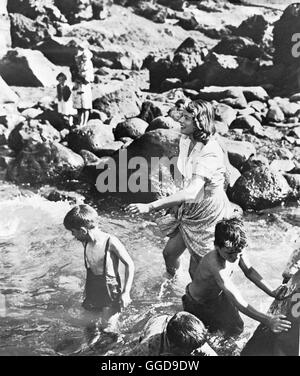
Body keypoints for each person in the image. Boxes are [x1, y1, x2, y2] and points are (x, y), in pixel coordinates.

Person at [126, 100, 238, 279]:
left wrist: (150, 206)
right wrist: (176, 202)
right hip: (190, 205)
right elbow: (187, 176)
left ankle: (201, 299)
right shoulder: (186, 140)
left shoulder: (210, 150)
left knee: (199, 269)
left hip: (208, 212)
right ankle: (172, 284)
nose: (180, 120)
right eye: (181, 116)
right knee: (169, 254)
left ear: (200, 121)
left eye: (187, 118)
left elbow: (194, 191)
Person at [182, 218, 292, 337]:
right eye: (229, 253)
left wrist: (272, 292)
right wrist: (267, 320)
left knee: (236, 328)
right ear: (216, 247)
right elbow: (237, 299)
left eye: (238, 253)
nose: (235, 257)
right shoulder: (215, 264)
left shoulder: (236, 247)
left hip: (218, 296)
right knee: (205, 336)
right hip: (197, 303)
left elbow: (249, 271)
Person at [63, 204, 134, 330]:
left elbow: (130, 264)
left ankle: (113, 346)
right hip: (93, 286)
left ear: (83, 231)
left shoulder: (110, 241)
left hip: (109, 289)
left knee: (107, 327)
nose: (73, 236)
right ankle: (90, 347)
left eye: (73, 232)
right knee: (89, 326)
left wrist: (126, 293)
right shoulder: (86, 242)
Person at [128, 312, 217, 356]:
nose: (194, 352)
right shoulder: (149, 346)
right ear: (174, 346)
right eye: (190, 350)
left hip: (174, 324)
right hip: (155, 323)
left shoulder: (194, 340)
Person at [71, 42, 94, 127]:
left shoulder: (89, 64)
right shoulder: (80, 63)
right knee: (80, 106)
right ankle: (80, 122)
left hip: (85, 85)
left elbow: (90, 76)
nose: (84, 58)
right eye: (83, 56)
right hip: (80, 85)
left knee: (86, 106)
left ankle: (84, 123)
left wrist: (84, 76)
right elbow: (76, 58)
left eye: (86, 57)